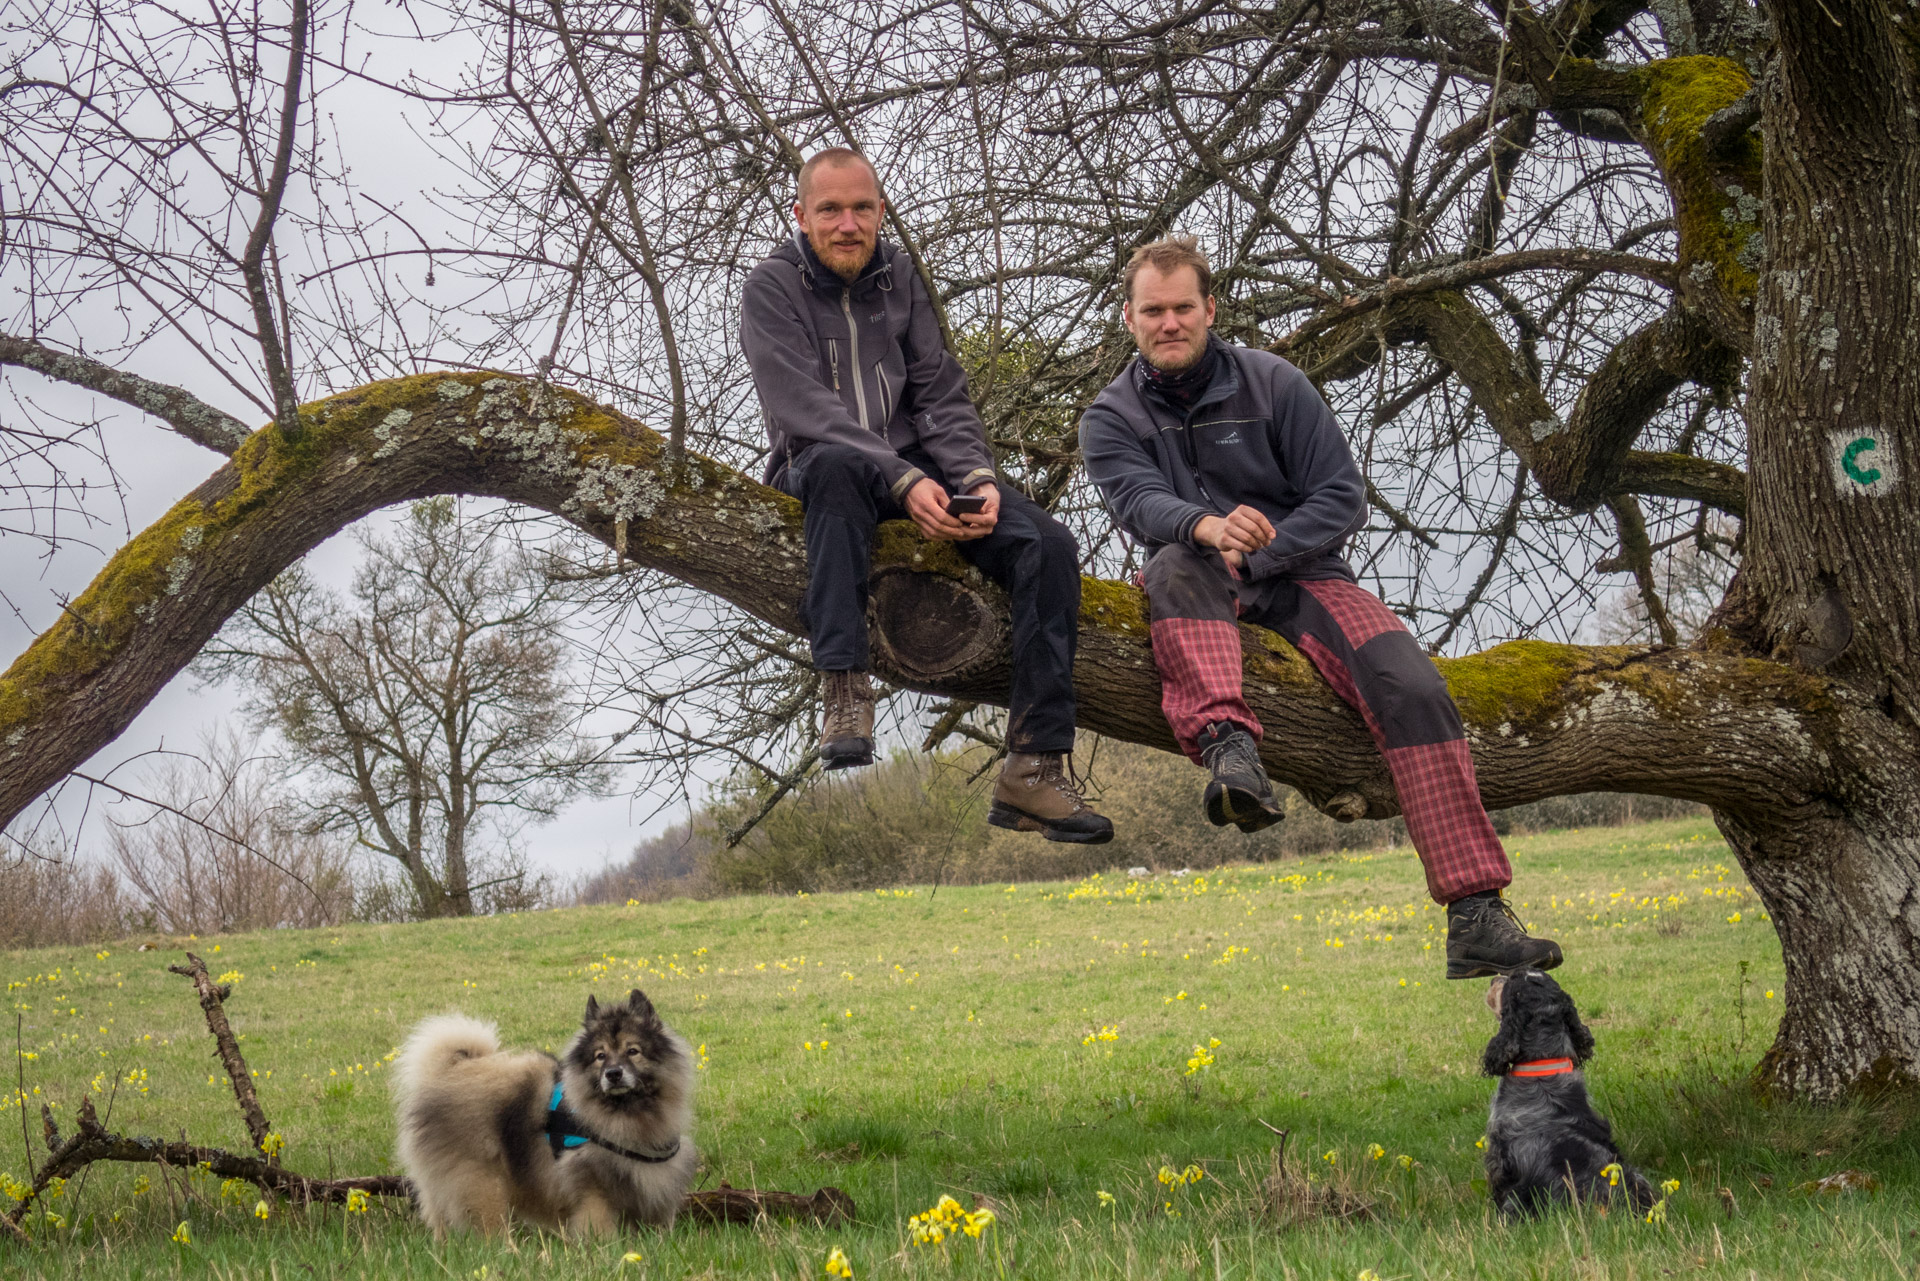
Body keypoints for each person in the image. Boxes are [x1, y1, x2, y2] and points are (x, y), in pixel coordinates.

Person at [1078, 236, 1561, 977]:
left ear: (1210, 309)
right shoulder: (1108, 417)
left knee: (1414, 685)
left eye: (1182, 307)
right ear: (1128, 317)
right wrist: (1208, 529)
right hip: (1193, 578)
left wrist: (1262, 548)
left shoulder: (1275, 383)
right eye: (1153, 310)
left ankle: (1475, 912)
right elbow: (1138, 502)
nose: (1168, 321)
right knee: (1174, 564)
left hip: (1303, 573)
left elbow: (1341, 496)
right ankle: (1230, 753)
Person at [740, 148, 1112, 845]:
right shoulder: (771, 287)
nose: (847, 224)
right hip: (818, 470)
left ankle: (1034, 764)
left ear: (881, 211)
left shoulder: (899, 277)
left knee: (1049, 544)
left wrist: (974, 478)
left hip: (918, 469)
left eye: (862, 208)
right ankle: (846, 691)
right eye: (830, 210)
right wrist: (902, 477)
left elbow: (939, 388)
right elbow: (801, 405)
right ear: (801, 216)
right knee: (838, 467)